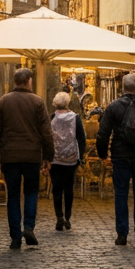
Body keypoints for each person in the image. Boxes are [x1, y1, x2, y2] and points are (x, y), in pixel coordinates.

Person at [0, 68, 54, 249]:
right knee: (32, 192)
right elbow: (46, 132)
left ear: (16, 81)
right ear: (29, 81)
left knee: (13, 196)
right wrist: (48, 157)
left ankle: (15, 236)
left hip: (9, 156)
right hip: (32, 155)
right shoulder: (38, 102)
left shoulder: (4, 101)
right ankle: (28, 227)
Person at [95, 73, 135, 245]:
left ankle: (122, 233)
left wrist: (102, 153)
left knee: (121, 194)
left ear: (122, 87)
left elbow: (103, 133)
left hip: (120, 155)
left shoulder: (114, 106)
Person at [48, 91, 87, 231]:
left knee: (56, 189)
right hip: (71, 158)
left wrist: (47, 156)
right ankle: (68, 217)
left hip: (56, 158)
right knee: (69, 188)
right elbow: (81, 138)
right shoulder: (75, 118)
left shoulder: (52, 117)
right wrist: (80, 156)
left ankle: (59, 217)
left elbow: (48, 136)